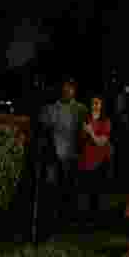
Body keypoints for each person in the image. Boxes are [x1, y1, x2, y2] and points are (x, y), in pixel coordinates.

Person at [39, 77, 88, 223]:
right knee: (54, 189)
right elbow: (43, 128)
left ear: (74, 90)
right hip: (55, 157)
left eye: (70, 88)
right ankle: (55, 218)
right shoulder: (51, 109)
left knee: (72, 189)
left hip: (74, 156)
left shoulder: (81, 109)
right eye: (64, 88)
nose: (67, 91)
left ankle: (70, 218)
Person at [75, 93, 112, 218]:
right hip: (86, 160)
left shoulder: (105, 121)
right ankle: (86, 218)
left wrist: (90, 132)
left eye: (97, 103)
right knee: (86, 191)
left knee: (98, 192)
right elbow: (81, 139)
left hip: (100, 161)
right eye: (92, 103)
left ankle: (98, 219)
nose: (94, 106)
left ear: (101, 105)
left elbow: (101, 142)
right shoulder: (85, 119)